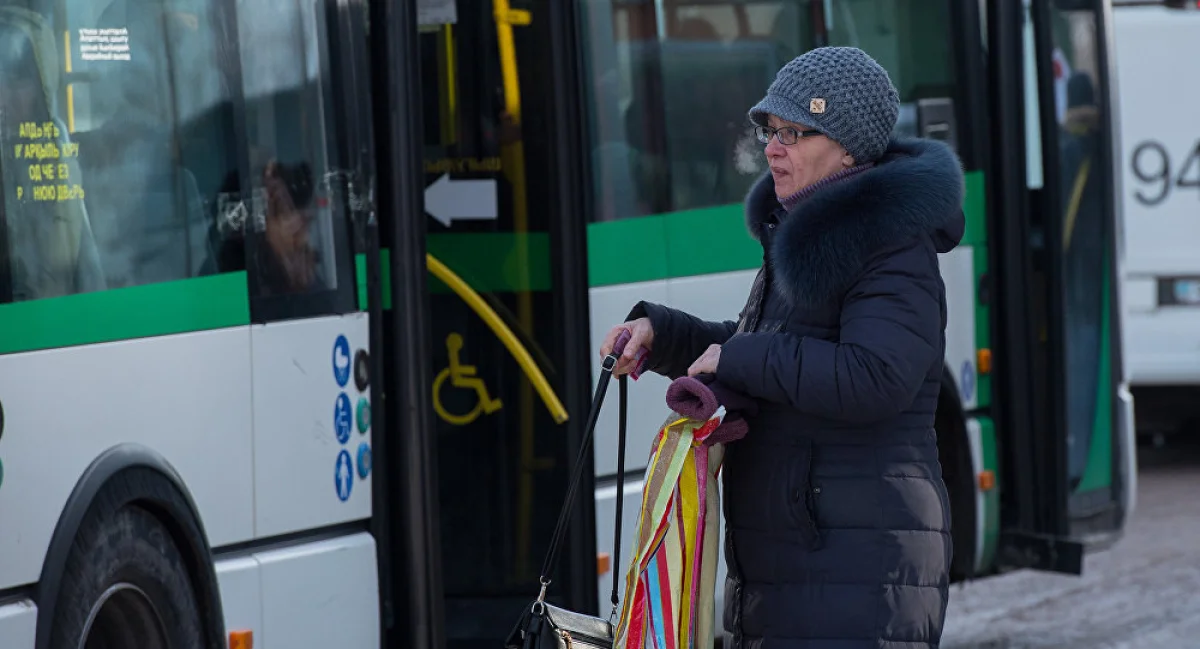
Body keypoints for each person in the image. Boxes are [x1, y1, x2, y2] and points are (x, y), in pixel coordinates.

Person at [600, 46, 964, 648]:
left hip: (857, 566)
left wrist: (738, 358)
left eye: (795, 132)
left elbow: (875, 376)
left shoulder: (893, 244)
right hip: (803, 562)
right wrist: (663, 335)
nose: (772, 147)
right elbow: (767, 347)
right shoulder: (803, 234)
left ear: (848, 147)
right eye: (771, 130)